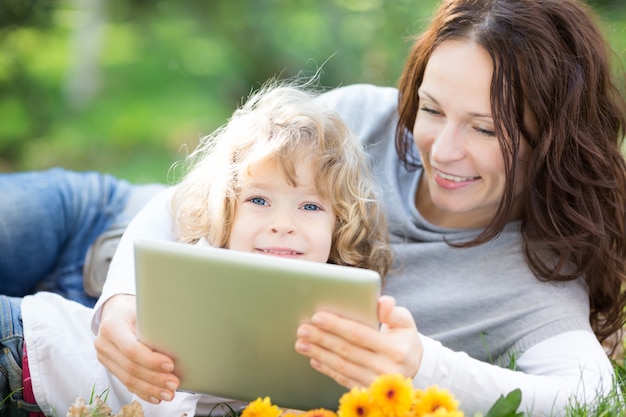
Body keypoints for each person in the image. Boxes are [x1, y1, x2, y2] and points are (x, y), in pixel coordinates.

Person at [93, 0, 626, 416]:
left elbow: (592, 398)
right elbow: (183, 200)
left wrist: (421, 367)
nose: (441, 151)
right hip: (110, 216)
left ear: (553, 141)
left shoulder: (535, 282)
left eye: (485, 128)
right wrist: (120, 302)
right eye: (432, 110)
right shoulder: (358, 121)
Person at [0, 82, 392, 416]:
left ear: (339, 224)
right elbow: (171, 207)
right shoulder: (207, 251)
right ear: (226, 206)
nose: (282, 223)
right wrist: (121, 298)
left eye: (310, 206)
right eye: (258, 200)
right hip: (29, 346)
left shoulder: (339, 313)